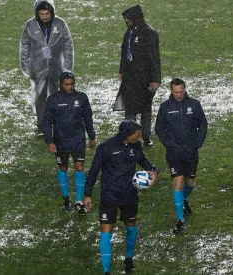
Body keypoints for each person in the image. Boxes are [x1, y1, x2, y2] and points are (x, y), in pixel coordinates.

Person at [84, 120, 158, 275]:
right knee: (106, 231)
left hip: (129, 195)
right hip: (109, 196)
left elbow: (143, 160)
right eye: (136, 135)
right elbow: (93, 171)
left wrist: (153, 170)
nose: (139, 138)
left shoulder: (135, 146)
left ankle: (129, 259)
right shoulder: (106, 148)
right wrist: (87, 194)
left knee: (131, 226)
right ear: (126, 135)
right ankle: (106, 271)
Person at [155, 78, 208, 233]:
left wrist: (197, 143)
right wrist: (169, 145)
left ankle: (184, 199)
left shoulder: (194, 104)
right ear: (171, 91)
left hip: (191, 151)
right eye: (175, 92)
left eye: (181, 92)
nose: (179, 95)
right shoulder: (165, 107)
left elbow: (203, 125)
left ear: (185, 90)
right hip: (174, 153)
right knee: (178, 182)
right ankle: (180, 220)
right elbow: (159, 129)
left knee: (190, 184)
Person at [41, 72, 96, 214]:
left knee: (79, 167)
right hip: (61, 141)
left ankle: (78, 201)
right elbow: (46, 122)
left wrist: (91, 136)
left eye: (72, 84)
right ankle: (66, 198)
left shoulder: (81, 98)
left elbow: (88, 118)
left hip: (78, 139)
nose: (70, 87)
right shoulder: (53, 100)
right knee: (63, 167)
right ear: (61, 84)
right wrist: (49, 141)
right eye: (67, 84)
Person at [20, 0, 74, 135]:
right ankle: (41, 124)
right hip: (38, 67)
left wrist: (67, 66)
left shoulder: (60, 24)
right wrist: (25, 64)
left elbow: (68, 44)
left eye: (47, 13)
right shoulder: (30, 25)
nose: (44, 16)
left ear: (52, 12)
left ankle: (58, 122)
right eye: (41, 13)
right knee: (40, 95)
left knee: (58, 95)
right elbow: (24, 45)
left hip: (57, 66)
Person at [114, 5, 161, 148]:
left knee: (145, 108)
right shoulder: (129, 32)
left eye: (128, 19)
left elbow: (155, 58)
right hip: (130, 77)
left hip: (145, 78)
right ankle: (129, 135)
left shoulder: (149, 33)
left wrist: (155, 79)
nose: (126, 22)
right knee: (130, 108)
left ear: (136, 19)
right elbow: (124, 52)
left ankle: (146, 137)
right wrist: (122, 70)